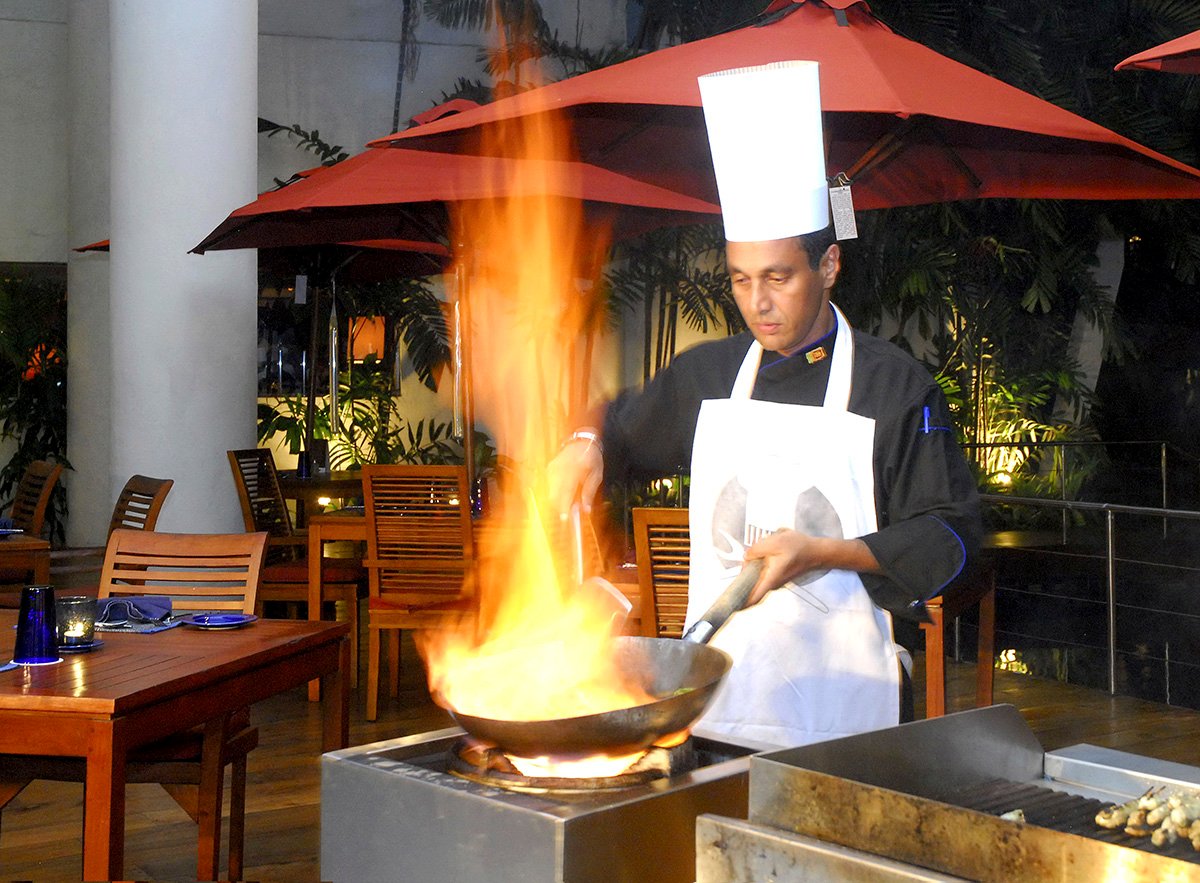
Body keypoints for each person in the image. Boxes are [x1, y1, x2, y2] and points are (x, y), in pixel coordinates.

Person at [550, 61, 982, 748]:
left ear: (829, 265)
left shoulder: (896, 387)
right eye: (741, 279)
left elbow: (952, 534)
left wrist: (825, 551)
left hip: (844, 709)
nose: (757, 303)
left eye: (778, 277)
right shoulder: (708, 374)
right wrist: (584, 445)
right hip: (718, 700)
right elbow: (617, 431)